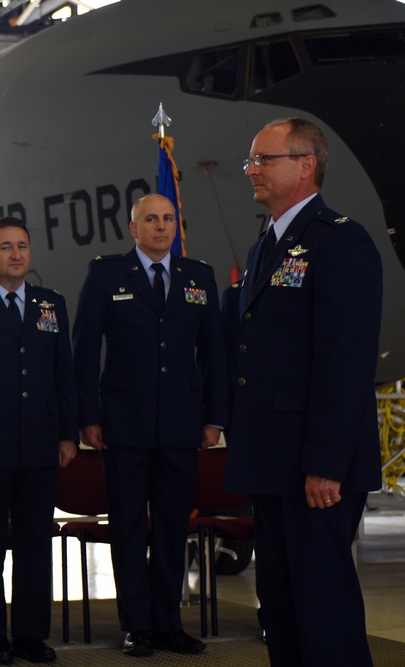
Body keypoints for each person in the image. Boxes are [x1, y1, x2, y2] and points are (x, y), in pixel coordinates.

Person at [225, 118, 383, 666]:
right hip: (273, 461)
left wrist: (327, 462)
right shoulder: (266, 245)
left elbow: (345, 362)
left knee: (323, 613)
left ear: (305, 165)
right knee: (282, 610)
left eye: (263, 159)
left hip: (315, 467)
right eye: (252, 159)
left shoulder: (340, 240)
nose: (251, 170)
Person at [71, 193, 228, 657]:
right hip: (123, 426)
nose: (161, 227)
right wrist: (87, 416)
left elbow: (213, 352)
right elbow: (84, 352)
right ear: (133, 227)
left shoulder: (198, 277)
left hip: (182, 427)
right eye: (151, 220)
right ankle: (136, 625)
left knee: (173, 528)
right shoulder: (106, 274)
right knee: (127, 528)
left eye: (168, 219)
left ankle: (168, 624)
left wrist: (214, 416)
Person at [0, 217, 78, 664]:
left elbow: (63, 373)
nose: (16, 254)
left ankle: (32, 634)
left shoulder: (50, 305)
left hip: (38, 443)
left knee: (36, 542)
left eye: (23, 246)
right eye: (6, 247)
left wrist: (68, 433)